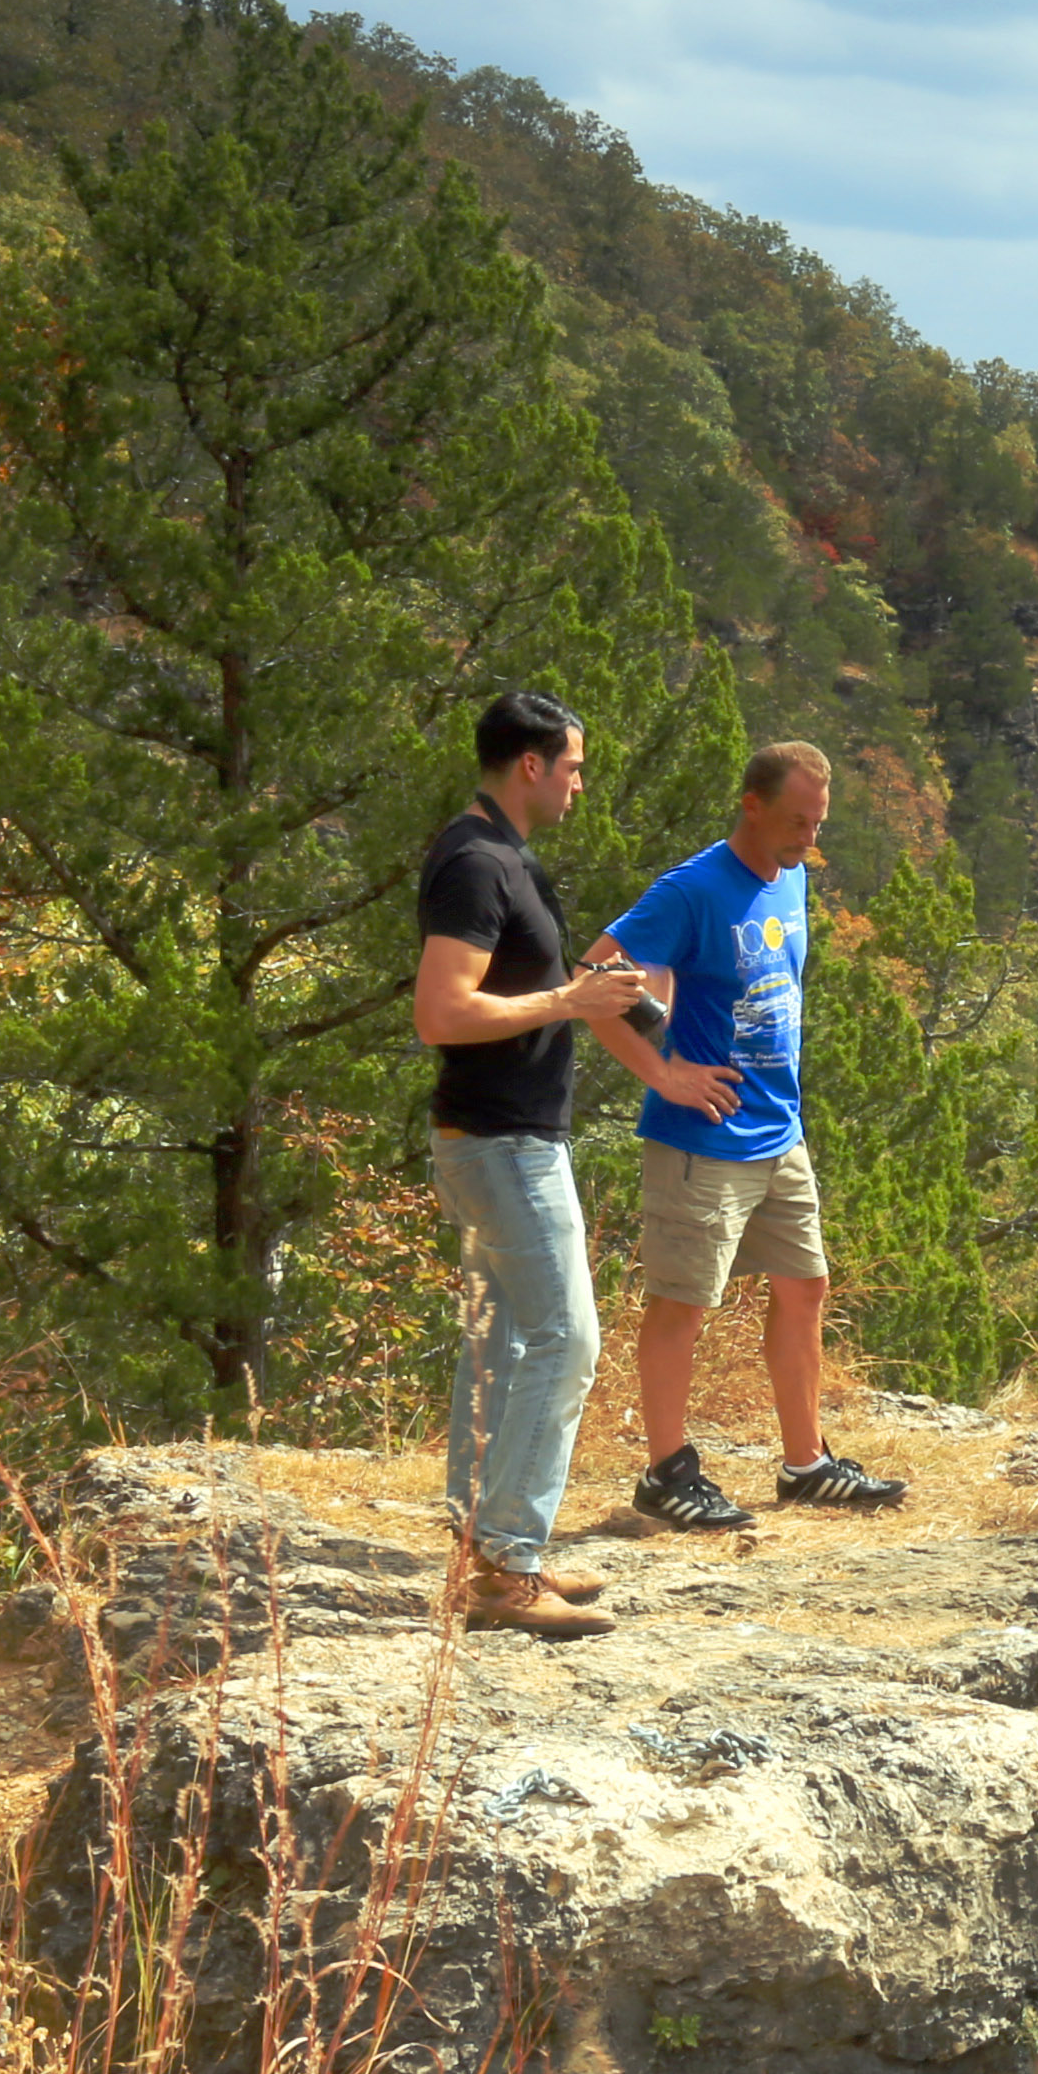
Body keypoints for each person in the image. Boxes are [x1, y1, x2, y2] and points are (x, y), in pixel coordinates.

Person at [586, 739, 910, 1531]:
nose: (809, 838)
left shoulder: (791, 875)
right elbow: (595, 977)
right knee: (681, 1306)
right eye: (797, 821)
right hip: (703, 1137)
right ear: (752, 805)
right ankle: (665, 1475)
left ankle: (806, 1466)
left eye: (818, 823)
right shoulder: (692, 888)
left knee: (805, 1289)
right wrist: (664, 1075)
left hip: (777, 1130)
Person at [414, 691, 659, 1633]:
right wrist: (568, 1005)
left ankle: (485, 1547)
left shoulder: (498, 855)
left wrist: (584, 994)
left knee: (504, 1344)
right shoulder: (476, 864)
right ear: (530, 765)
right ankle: (507, 1568)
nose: (580, 784)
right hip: (503, 1141)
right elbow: (442, 1011)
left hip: (497, 1138)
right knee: (567, 1340)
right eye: (573, 767)